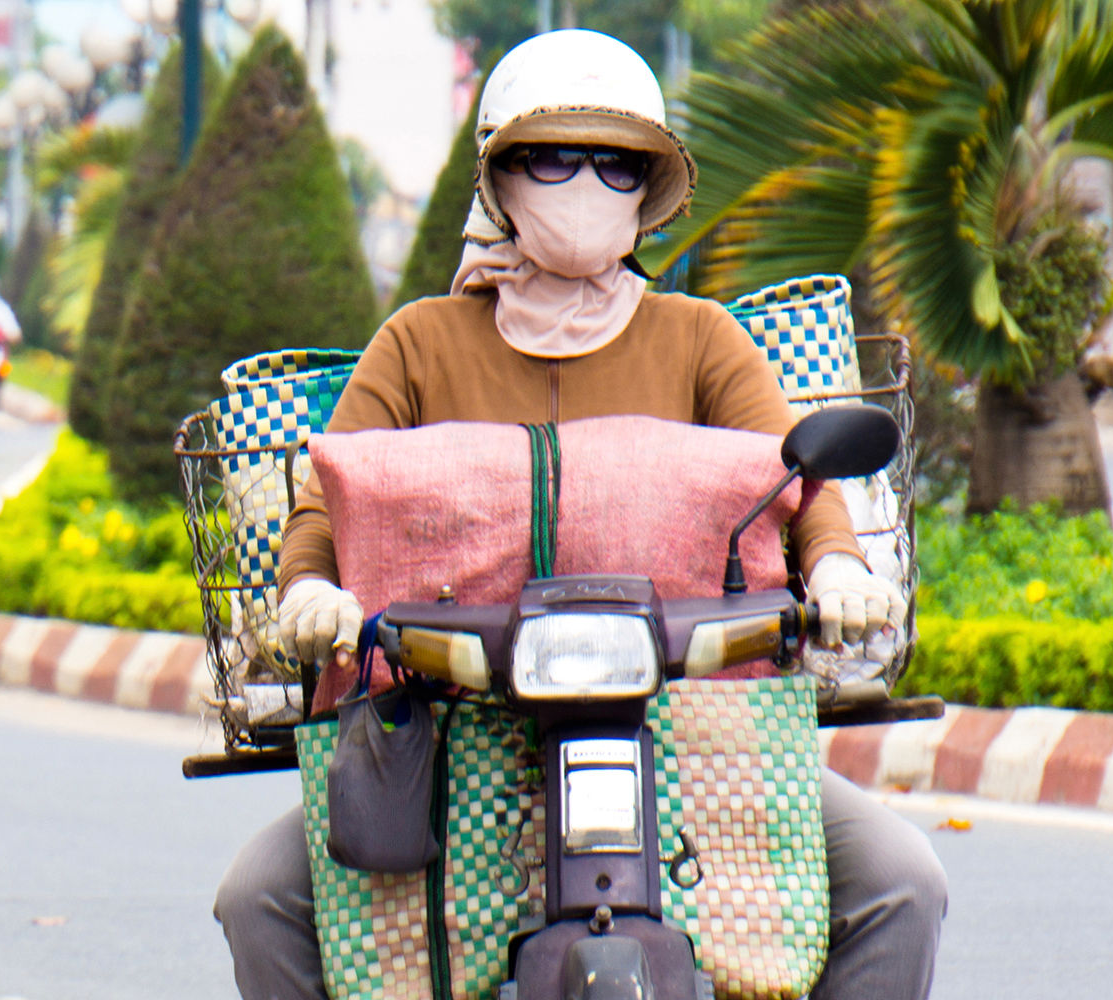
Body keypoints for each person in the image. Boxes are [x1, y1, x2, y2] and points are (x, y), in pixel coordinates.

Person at [211, 31, 940, 1000]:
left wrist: (841, 571)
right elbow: (329, 499)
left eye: (616, 162)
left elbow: (799, 490)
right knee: (256, 896)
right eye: (553, 157)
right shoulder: (419, 343)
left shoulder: (700, 339)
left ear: (647, 189)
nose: (584, 183)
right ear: (499, 180)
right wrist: (309, 589)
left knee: (902, 881)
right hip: (449, 728)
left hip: (693, 724)